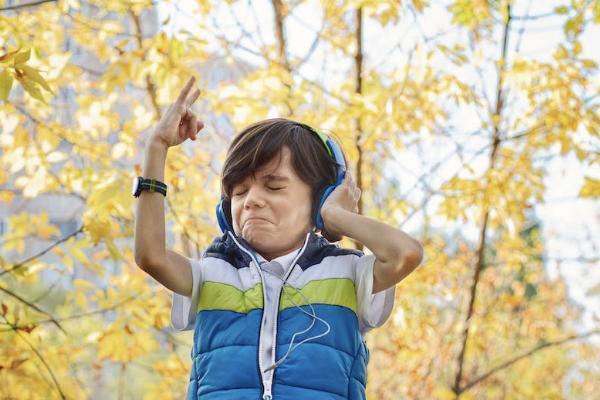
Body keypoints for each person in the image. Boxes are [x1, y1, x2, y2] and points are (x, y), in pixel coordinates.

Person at [134, 76, 424, 400]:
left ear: (319, 199)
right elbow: (151, 255)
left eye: (273, 186)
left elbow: (405, 254)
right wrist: (156, 148)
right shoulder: (212, 273)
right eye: (239, 191)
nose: (251, 200)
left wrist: (336, 217)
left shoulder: (348, 273)